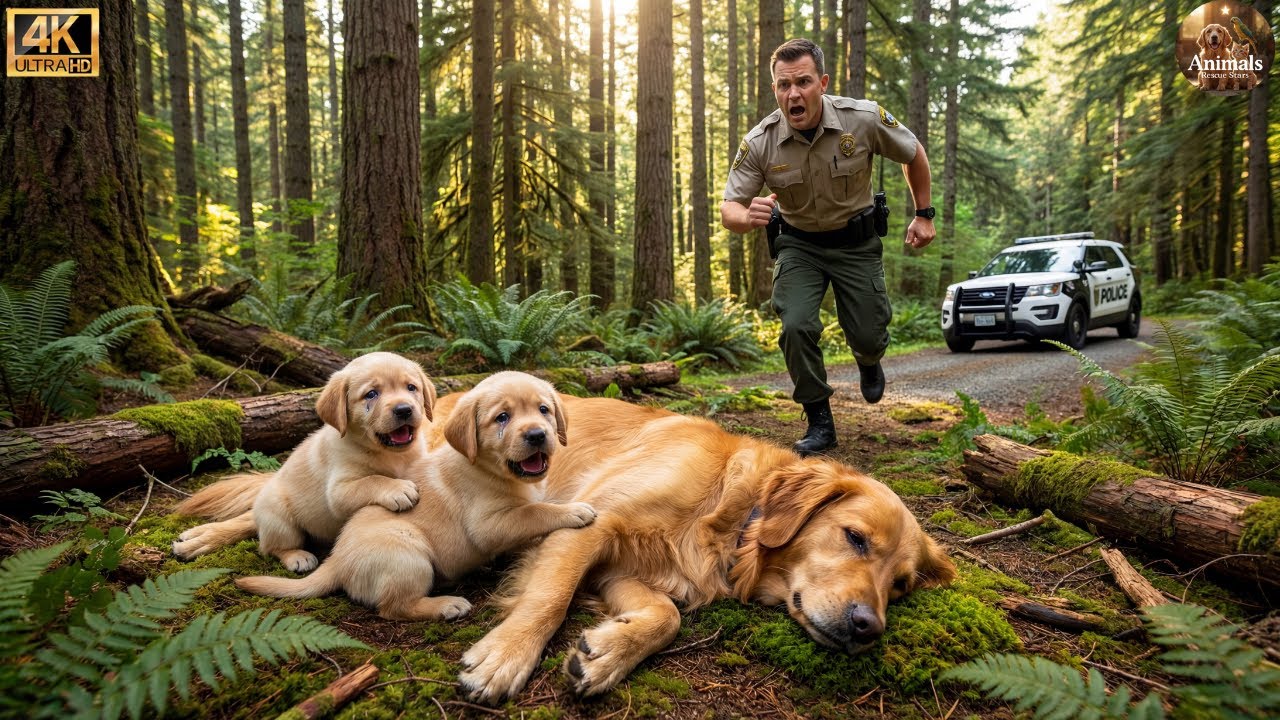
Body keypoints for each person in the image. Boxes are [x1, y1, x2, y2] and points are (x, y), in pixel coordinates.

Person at [721, 38, 935, 457]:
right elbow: (729, 206)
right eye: (784, 86)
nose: (793, 94)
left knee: (870, 333)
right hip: (799, 244)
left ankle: (868, 359)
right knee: (796, 324)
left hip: (856, 243)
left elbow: (914, 153)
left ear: (822, 83)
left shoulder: (864, 119)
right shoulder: (761, 141)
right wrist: (746, 217)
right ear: (775, 90)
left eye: (803, 82)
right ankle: (819, 418)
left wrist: (924, 213)